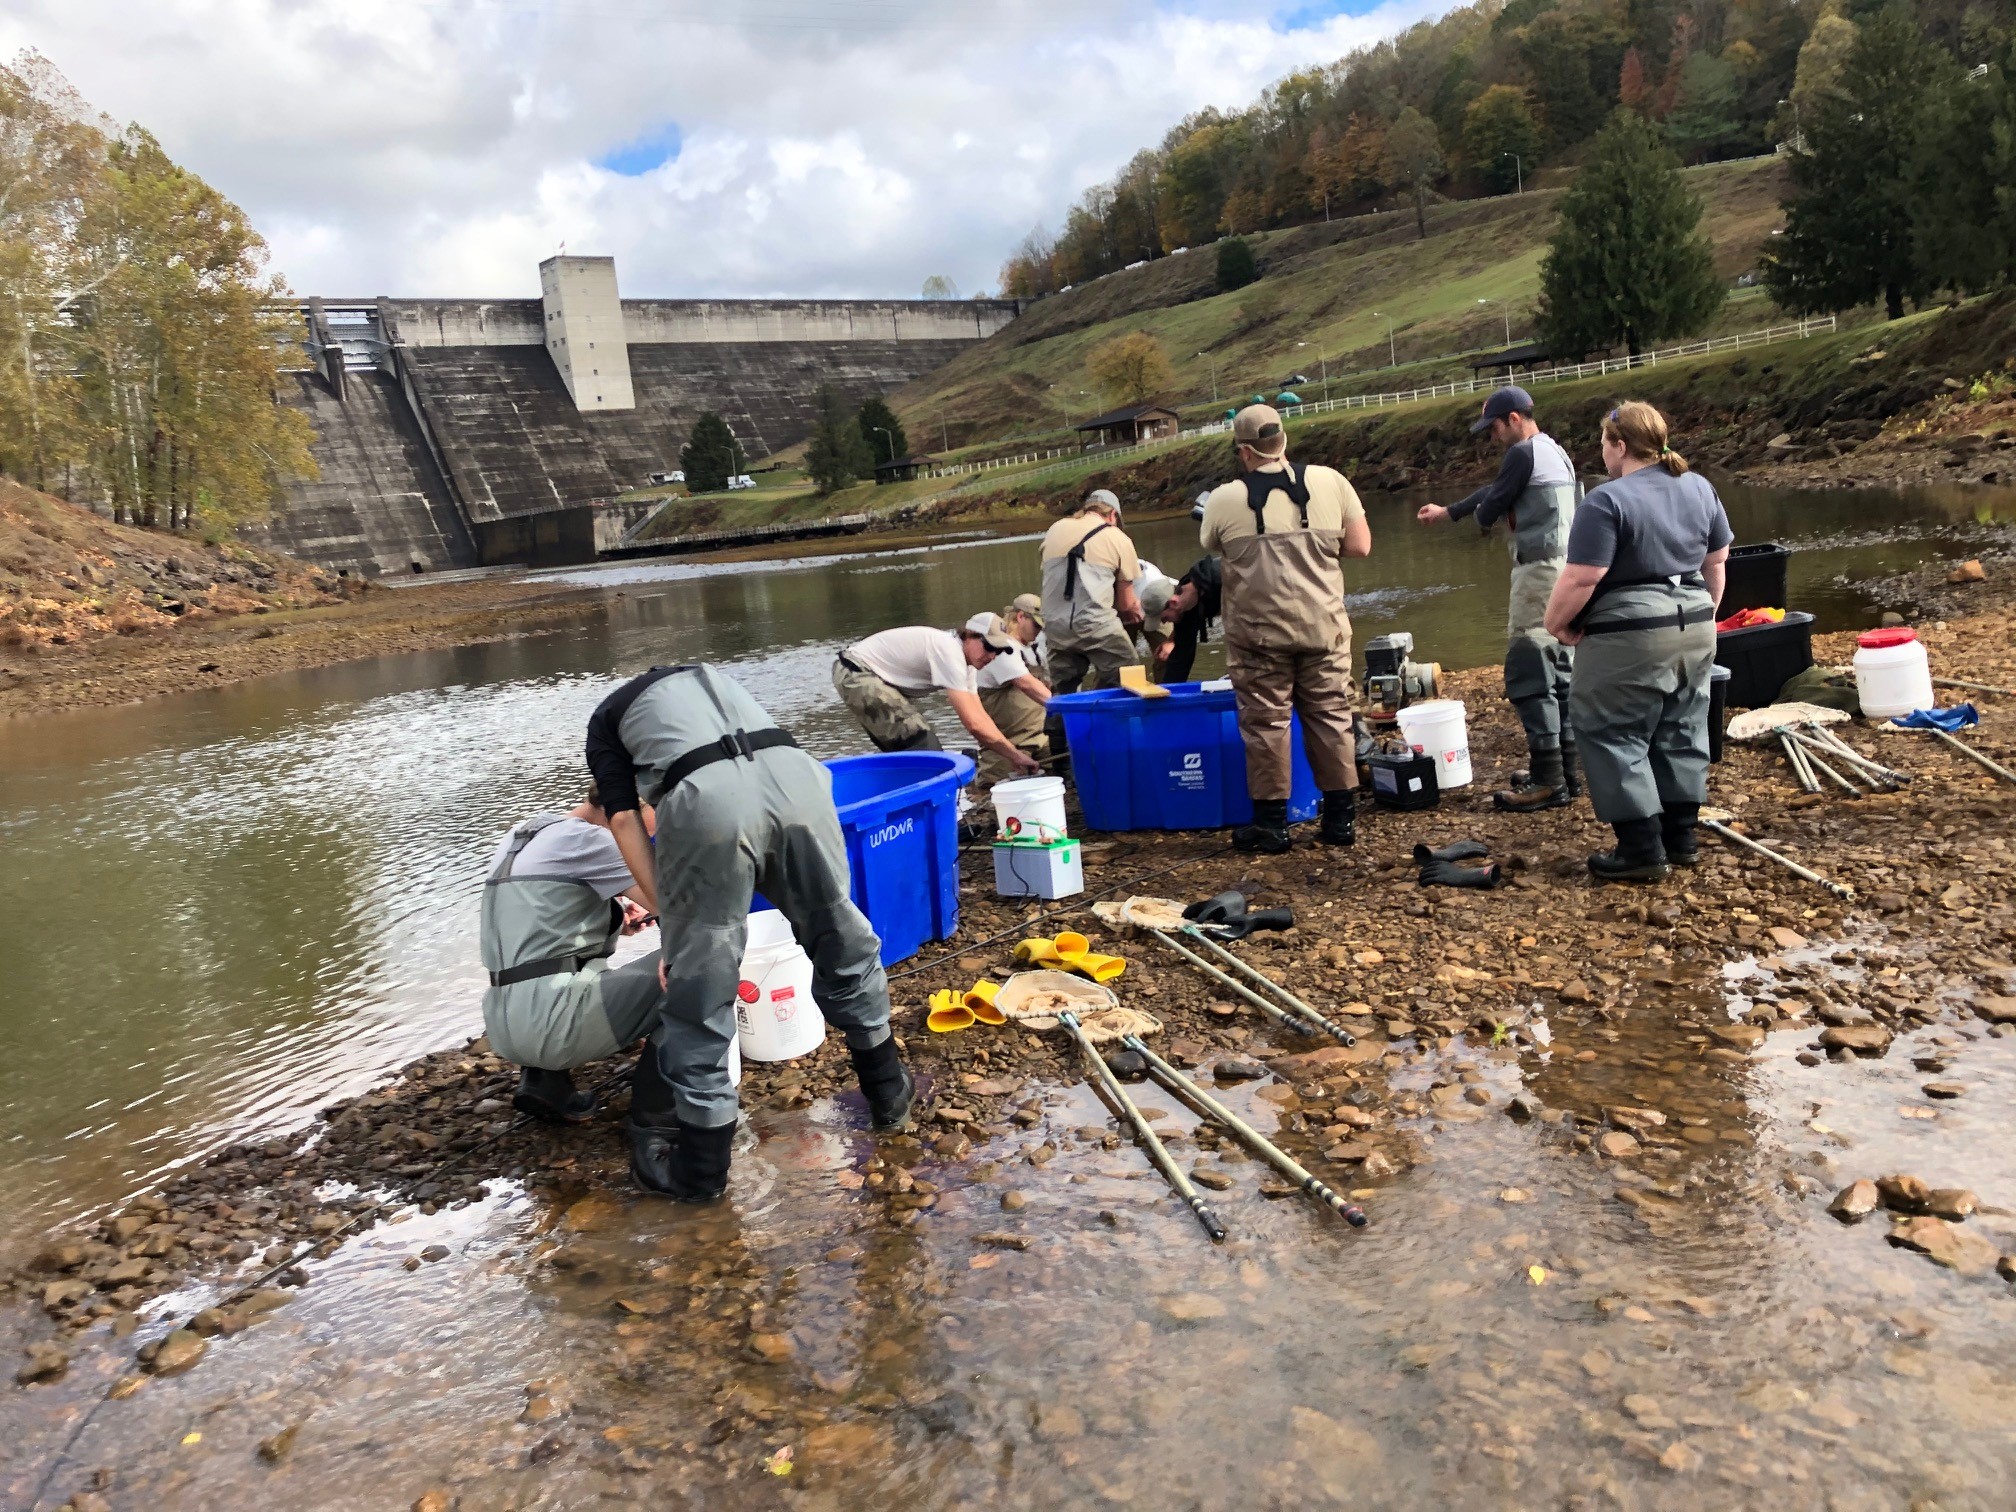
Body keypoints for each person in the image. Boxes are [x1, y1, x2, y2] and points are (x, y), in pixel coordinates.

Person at [586, 663, 915, 1201]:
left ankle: (701, 1171)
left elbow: (624, 821)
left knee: (704, 976)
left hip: (707, 803)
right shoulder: (712, 678)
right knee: (840, 932)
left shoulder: (607, 718)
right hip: (801, 779)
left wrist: (676, 928)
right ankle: (888, 1096)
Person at [1542, 402, 1731, 882]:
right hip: (1694, 622)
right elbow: (1717, 562)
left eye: (1603, 444)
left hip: (1631, 632)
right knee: (1683, 725)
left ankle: (1641, 850)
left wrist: (1556, 624)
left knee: (1612, 729)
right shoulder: (1699, 486)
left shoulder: (1606, 501)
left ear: (1620, 446)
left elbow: (1584, 577)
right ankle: (1682, 839)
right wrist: (1706, 612)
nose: (1601, 454)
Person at [1200, 404, 1371, 853]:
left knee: (1266, 723)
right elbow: (1360, 546)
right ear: (1284, 441)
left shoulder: (1223, 497)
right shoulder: (1331, 480)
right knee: (1332, 716)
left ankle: (1272, 827)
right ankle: (1340, 821)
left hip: (1258, 634)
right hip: (1323, 626)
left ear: (1244, 451)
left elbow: (1212, 545)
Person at [1416, 385, 1583, 812]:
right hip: (1566, 568)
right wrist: (1449, 512)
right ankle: (1569, 771)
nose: (1492, 436)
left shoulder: (1521, 454)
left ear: (1513, 418)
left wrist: (1474, 516)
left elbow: (1491, 509)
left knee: (1530, 670)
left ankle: (1548, 782)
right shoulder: (1554, 451)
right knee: (1561, 670)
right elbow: (1498, 490)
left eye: (1493, 427)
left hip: (1537, 573)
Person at [480, 784, 664, 1125]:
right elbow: (682, 912)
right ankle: (659, 1109)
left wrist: (615, 918)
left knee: (548, 969)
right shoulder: (593, 841)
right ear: (628, 813)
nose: (653, 837)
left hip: (504, 1024)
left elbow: (537, 925)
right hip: (552, 1027)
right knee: (702, 959)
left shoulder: (526, 833)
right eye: (652, 825)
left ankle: (544, 1081)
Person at [833, 616, 1044, 777]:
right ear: (969, 636)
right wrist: (1014, 755)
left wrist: (1012, 754)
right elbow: (974, 724)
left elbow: (980, 717)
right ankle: (938, 816)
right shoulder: (949, 651)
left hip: (865, 675)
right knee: (922, 745)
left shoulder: (968, 667)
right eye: (989, 647)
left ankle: (918, 812)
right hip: (856, 672)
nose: (991, 656)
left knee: (908, 753)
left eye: (998, 652)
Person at [1039, 490, 1144, 695]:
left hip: (1054, 625)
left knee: (1063, 691)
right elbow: (1127, 605)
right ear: (1113, 515)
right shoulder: (1118, 538)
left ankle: (1057, 727)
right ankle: (1119, 724)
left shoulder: (1055, 529)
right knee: (1129, 676)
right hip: (1095, 624)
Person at [975, 595, 1051, 785]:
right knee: (998, 786)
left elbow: (1049, 689)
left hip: (1040, 739)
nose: (1039, 631)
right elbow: (1027, 684)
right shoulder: (1002, 648)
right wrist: (1070, 709)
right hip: (1007, 746)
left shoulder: (1036, 652)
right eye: (1036, 625)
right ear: (1020, 617)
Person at [1152, 555, 1224, 684]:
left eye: (1164, 618)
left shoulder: (1219, 578)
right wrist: (1169, 693)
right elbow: (1180, 659)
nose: (1164, 623)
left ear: (1173, 602)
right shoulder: (1186, 611)